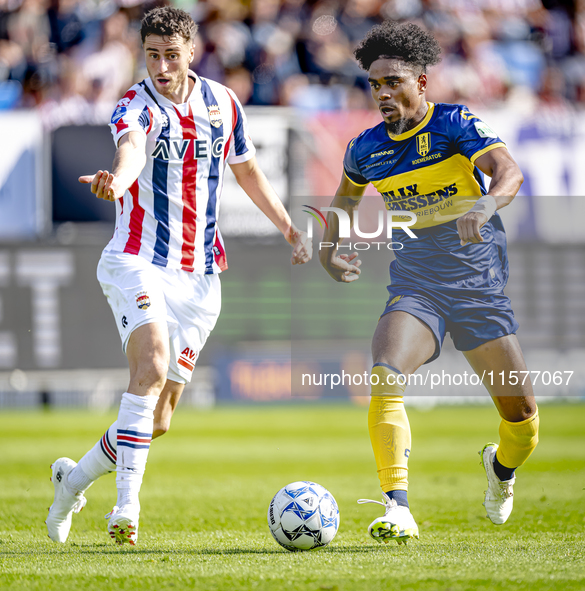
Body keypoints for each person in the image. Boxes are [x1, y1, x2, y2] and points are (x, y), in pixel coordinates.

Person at [46, 6, 311, 546]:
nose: (162, 67)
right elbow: (131, 153)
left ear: (192, 52)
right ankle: (126, 509)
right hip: (136, 259)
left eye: (171, 55)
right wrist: (117, 183)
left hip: (201, 275)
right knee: (151, 366)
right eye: (152, 56)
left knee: (157, 419)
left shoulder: (222, 103)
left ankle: (71, 483)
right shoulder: (134, 106)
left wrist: (288, 228)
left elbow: (247, 169)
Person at [319, 22, 539, 544]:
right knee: (385, 373)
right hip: (417, 285)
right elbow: (342, 206)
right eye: (374, 85)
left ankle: (501, 470)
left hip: (478, 286)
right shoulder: (365, 148)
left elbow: (509, 172)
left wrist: (487, 203)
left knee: (524, 422)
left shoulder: (454, 124)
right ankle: (397, 507)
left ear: (421, 81)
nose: (382, 94)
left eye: (392, 81)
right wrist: (329, 252)